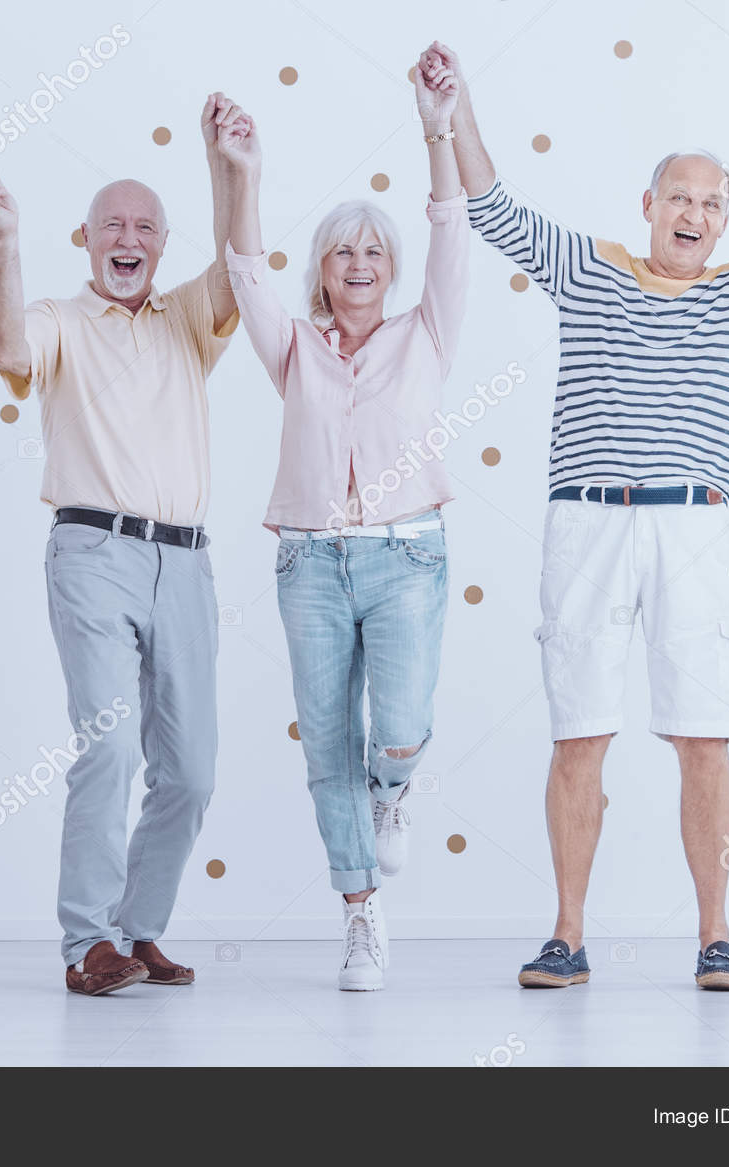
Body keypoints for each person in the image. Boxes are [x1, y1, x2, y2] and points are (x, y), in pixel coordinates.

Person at [421, 39, 729, 990]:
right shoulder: (591, 270)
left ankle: (715, 934)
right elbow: (493, 207)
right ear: (649, 205)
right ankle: (568, 936)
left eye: (713, 203)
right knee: (578, 733)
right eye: (681, 197)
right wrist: (454, 104)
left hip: (694, 526)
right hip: (586, 520)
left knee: (703, 735)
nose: (696, 214)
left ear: (722, 220)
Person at [0, 98, 240, 996]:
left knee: (193, 770)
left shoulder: (188, 318)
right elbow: (5, 344)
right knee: (110, 745)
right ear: (86, 239)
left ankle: (138, 929)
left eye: (144, 229)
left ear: (161, 246)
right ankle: (87, 940)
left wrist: (227, 164)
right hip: (93, 550)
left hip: (189, 562)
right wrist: (3, 240)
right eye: (111, 226)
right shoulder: (58, 316)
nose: (127, 239)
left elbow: (240, 264)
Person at [216, 66, 468, 989]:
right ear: (321, 270)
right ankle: (360, 913)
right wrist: (241, 173)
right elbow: (244, 270)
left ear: (391, 268)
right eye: (340, 253)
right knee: (327, 742)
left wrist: (435, 126)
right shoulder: (293, 348)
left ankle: (391, 792)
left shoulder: (427, 333)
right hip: (311, 563)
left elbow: (451, 227)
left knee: (395, 730)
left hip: (408, 555)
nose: (358, 265)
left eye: (373, 253)